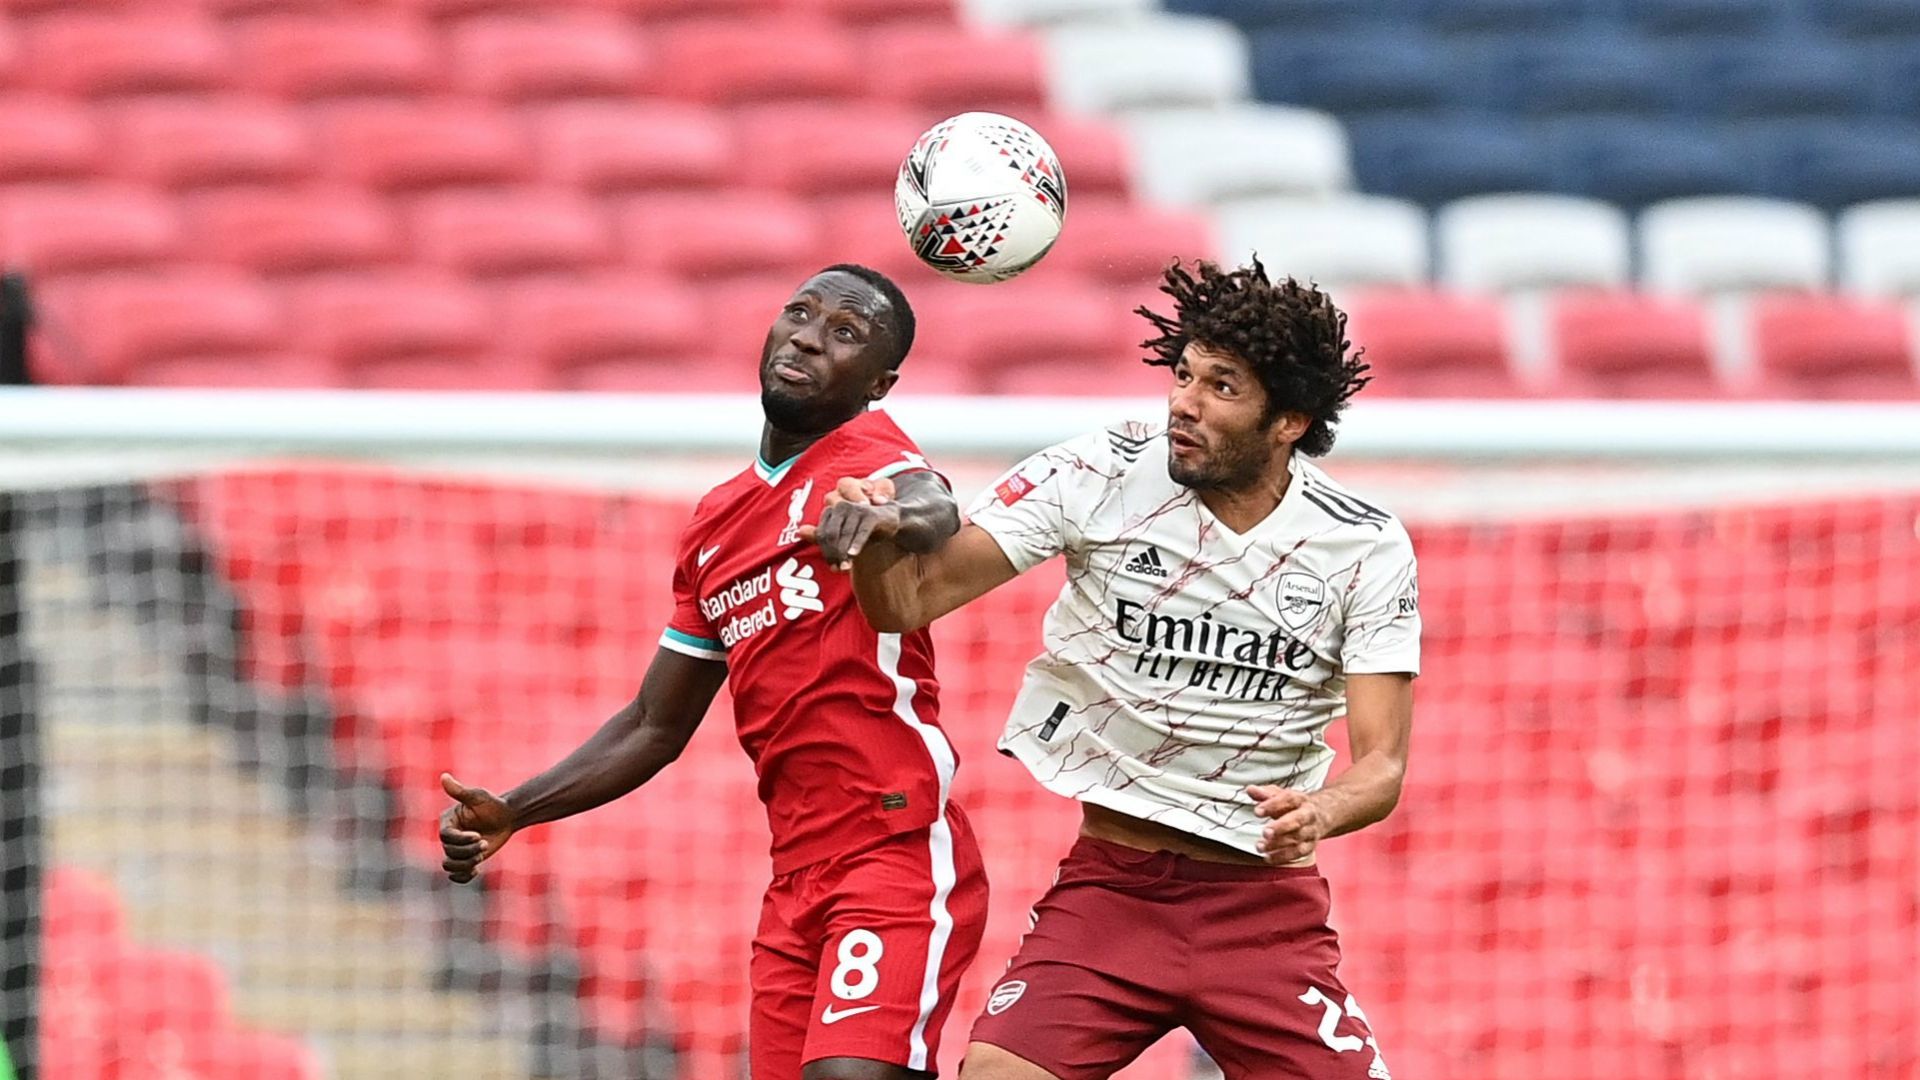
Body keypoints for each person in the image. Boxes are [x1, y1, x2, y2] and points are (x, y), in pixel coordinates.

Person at [810, 259, 1417, 1080]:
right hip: (1112, 892)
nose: (1184, 404)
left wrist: (1321, 810)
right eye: (1183, 374)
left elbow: (1381, 766)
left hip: (1263, 917)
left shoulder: (1363, 544)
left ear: (1290, 422)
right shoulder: (1100, 472)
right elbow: (909, 603)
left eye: (1222, 387)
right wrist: (879, 539)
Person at [437, 265, 988, 1080]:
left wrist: (889, 517)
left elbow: (934, 505)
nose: (807, 334)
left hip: (893, 851)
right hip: (795, 877)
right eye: (800, 314)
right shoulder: (716, 523)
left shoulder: (870, 458)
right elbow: (655, 724)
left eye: (844, 332)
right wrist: (518, 808)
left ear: (880, 383)